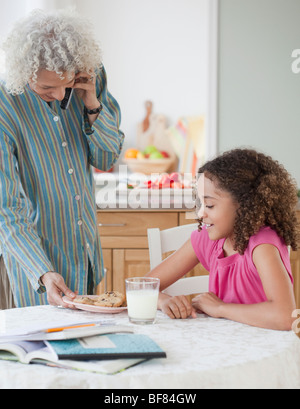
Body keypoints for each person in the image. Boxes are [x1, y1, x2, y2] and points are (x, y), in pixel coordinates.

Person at [0, 9, 124, 308]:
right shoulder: (5, 105)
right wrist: (43, 272)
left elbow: (106, 156)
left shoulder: (90, 78)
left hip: (86, 253)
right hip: (34, 264)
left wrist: (91, 104)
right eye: (46, 88)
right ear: (24, 74)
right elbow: (6, 209)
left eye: (65, 85)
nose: (58, 96)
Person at [147, 149, 298, 330]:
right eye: (201, 203)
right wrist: (164, 301)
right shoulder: (208, 239)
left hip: (265, 347)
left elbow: (284, 316)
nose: (201, 213)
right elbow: (141, 286)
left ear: (244, 205)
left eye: (210, 205)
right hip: (224, 342)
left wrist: (220, 308)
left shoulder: (262, 246)